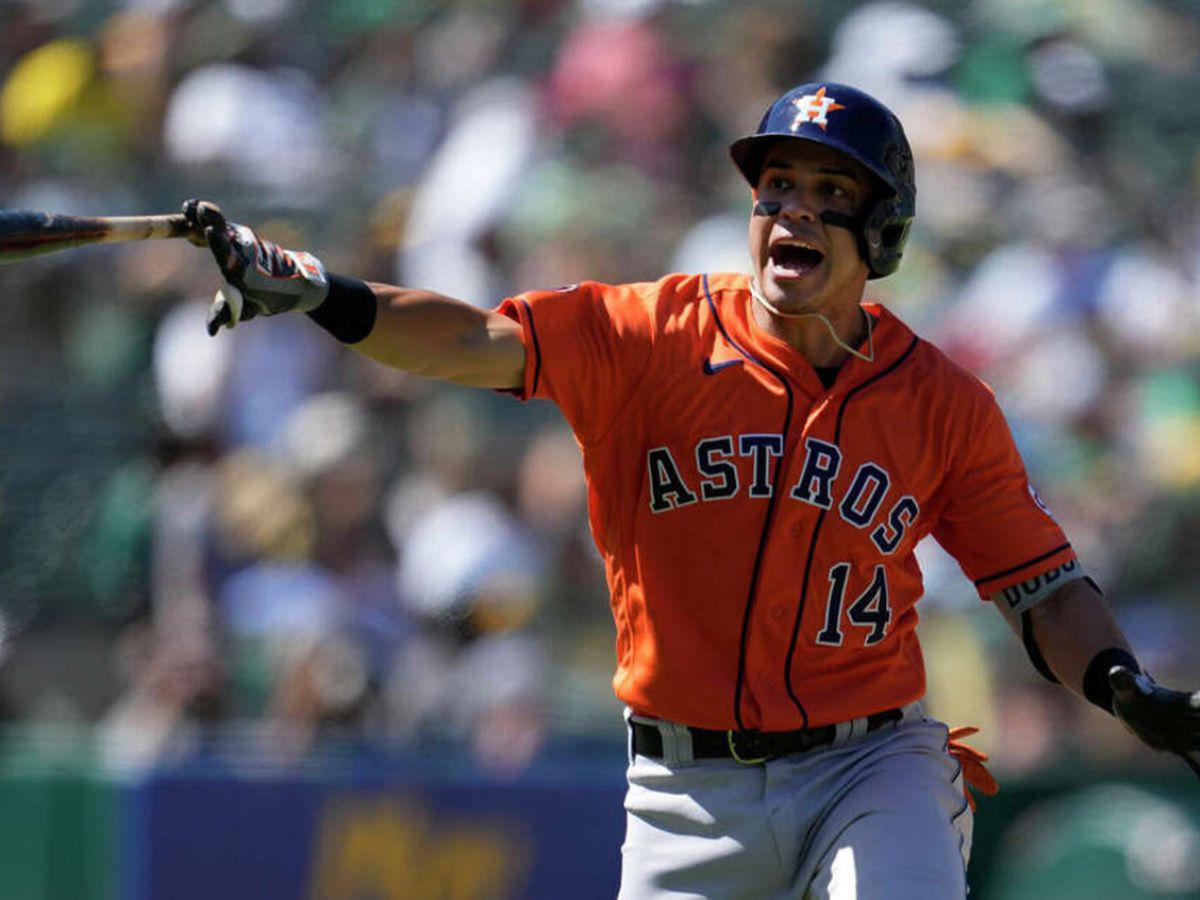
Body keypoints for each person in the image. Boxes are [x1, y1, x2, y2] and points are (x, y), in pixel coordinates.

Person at [183, 81, 1200, 899]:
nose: (793, 209)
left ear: (883, 230)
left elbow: (1040, 586)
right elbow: (470, 339)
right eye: (777, 186)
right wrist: (322, 294)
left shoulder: (944, 404)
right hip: (684, 790)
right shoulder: (651, 336)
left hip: (869, 765)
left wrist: (1121, 683)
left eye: (829, 191)